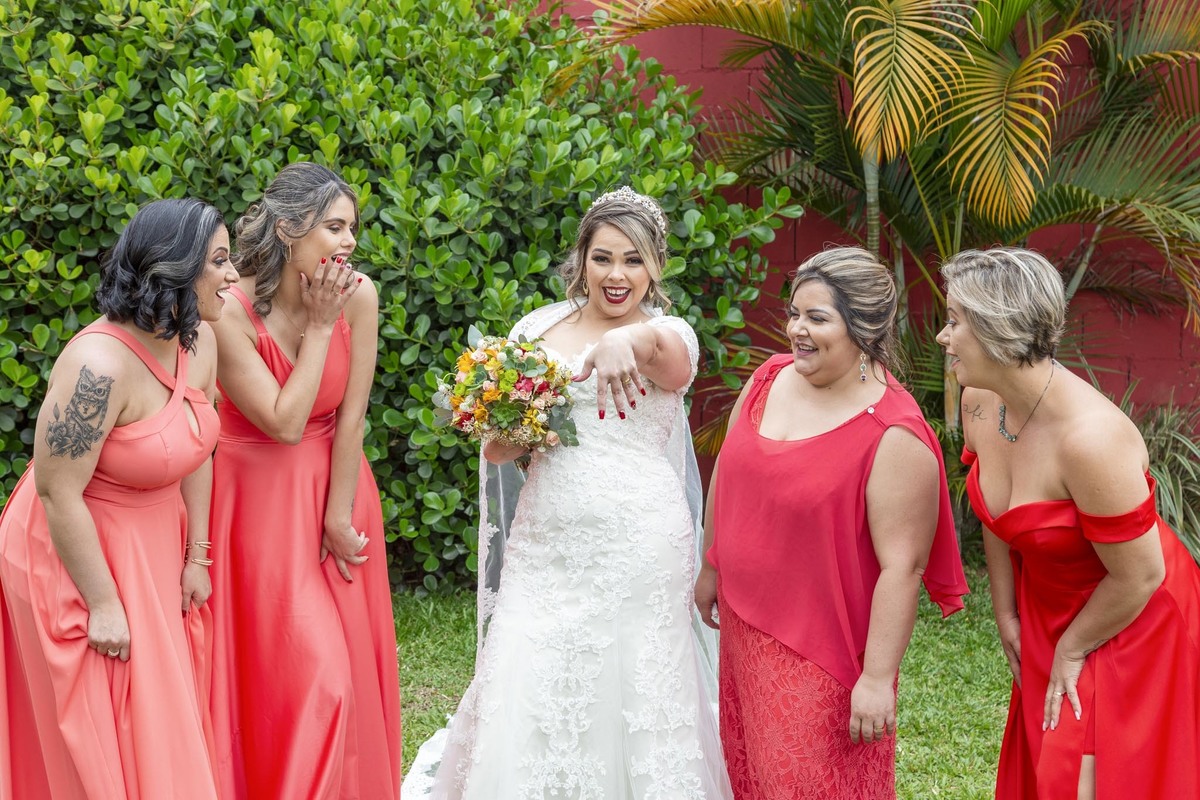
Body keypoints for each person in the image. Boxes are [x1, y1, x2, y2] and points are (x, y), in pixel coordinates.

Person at [412, 186, 731, 799]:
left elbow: (666, 360)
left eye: (634, 260)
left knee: (633, 684)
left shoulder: (672, 334)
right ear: (581, 259)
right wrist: (502, 423)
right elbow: (504, 450)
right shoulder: (536, 328)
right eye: (604, 257)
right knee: (529, 668)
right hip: (546, 538)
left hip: (638, 542)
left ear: (655, 267)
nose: (617, 275)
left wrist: (621, 342)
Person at [697, 247, 969, 799]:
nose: (797, 330)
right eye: (795, 313)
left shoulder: (894, 433)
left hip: (822, 654)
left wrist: (875, 678)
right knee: (747, 776)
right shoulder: (769, 378)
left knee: (807, 785)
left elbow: (903, 567)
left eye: (817, 318)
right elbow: (728, 470)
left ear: (865, 329)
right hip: (746, 632)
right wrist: (710, 566)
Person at [937, 247, 1200, 799]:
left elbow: (1139, 575)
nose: (943, 336)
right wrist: (1007, 612)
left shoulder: (1091, 440)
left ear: (996, 330)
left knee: (1083, 778)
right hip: (1048, 608)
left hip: (1128, 616)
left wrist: (1073, 646)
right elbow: (996, 510)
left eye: (955, 322)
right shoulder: (981, 400)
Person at [0, 198, 237, 798]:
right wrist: (103, 603)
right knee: (109, 717)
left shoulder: (200, 339)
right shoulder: (96, 368)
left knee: (160, 707)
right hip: (75, 544)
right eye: (220, 261)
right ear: (174, 268)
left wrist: (197, 556)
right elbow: (57, 491)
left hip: (153, 536)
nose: (233, 276)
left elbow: (197, 447)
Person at [207, 162, 401, 800]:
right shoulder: (229, 311)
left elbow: (352, 418)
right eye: (335, 227)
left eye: (353, 228)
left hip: (337, 490)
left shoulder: (361, 294)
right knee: (311, 680)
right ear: (290, 231)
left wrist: (339, 513)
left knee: (344, 673)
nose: (349, 243)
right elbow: (284, 422)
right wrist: (319, 328)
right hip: (255, 504)